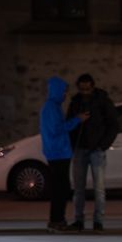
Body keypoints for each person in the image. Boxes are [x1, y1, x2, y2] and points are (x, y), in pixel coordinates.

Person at [65, 73, 119, 232]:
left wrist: (103, 145)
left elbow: (113, 125)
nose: (85, 92)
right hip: (80, 149)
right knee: (79, 188)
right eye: (82, 89)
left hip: (96, 150)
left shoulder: (103, 101)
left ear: (93, 86)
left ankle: (98, 221)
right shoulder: (75, 102)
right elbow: (69, 124)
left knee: (99, 188)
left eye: (87, 89)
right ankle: (78, 220)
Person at [39, 76, 87, 232]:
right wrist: (77, 120)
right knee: (61, 188)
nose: (65, 95)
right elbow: (57, 129)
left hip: (58, 152)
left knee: (61, 188)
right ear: (57, 90)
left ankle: (57, 220)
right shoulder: (51, 107)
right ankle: (57, 221)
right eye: (64, 91)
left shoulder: (52, 107)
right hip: (58, 153)